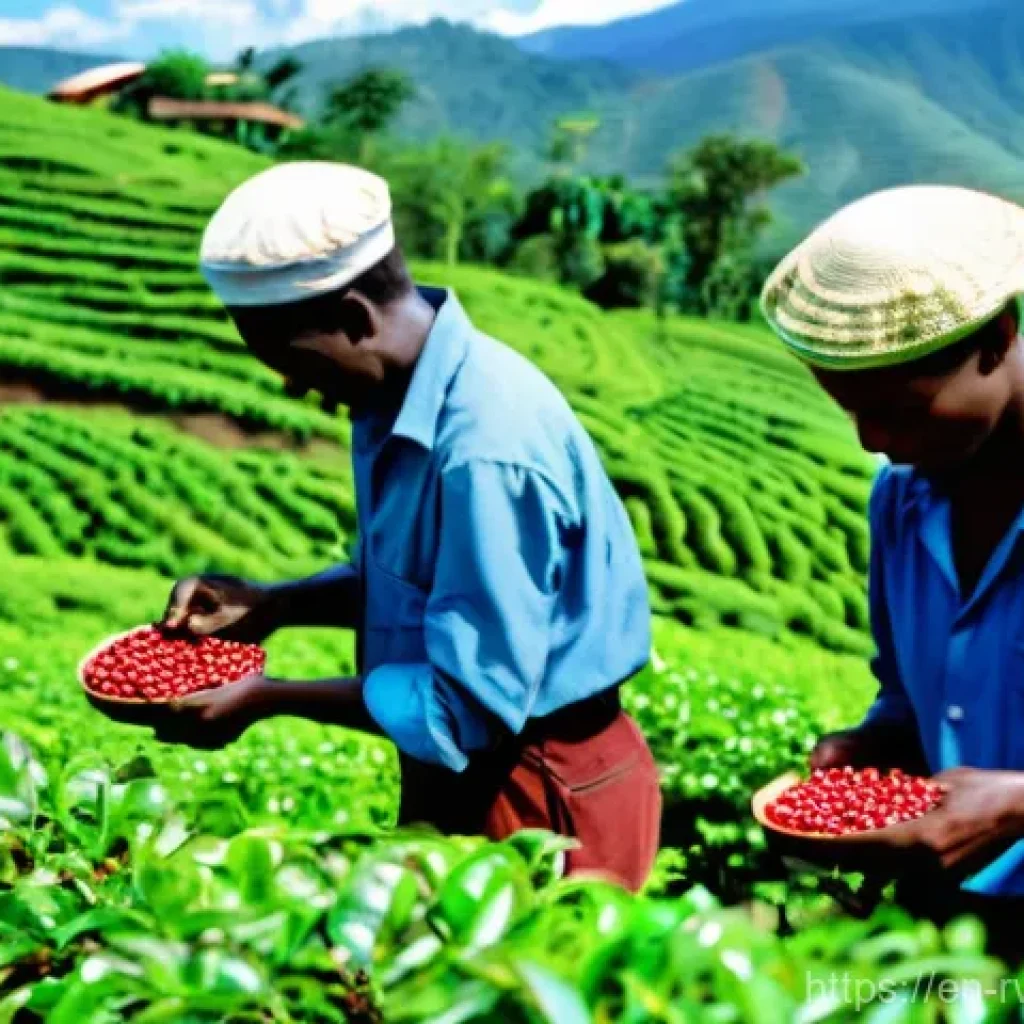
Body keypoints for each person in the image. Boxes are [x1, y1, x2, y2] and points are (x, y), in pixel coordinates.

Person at [154, 161, 661, 891]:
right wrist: (278, 604)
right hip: (462, 770)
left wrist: (270, 696)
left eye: (292, 360)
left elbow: (466, 705)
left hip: (542, 791)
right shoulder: (392, 395)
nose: (294, 387)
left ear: (357, 319)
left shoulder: (486, 448)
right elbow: (415, 584)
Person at [761, 184, 1024, 943]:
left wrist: (1015, 802)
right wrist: (873, 743)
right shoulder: (901, 502)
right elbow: (912, 697)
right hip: (943, 910)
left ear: (998, 339)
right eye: (851, 412)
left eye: (902, 410)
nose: (873, 440)